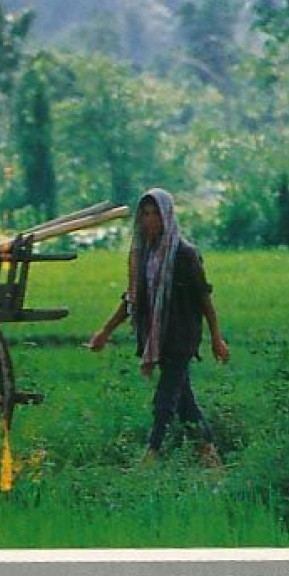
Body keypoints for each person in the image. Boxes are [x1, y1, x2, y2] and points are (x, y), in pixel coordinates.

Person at [87, 187, 230, 467]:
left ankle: (149, 457)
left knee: (164, 403)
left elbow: (204, 299)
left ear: (167, 217)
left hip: (180, 338)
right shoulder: (143, 255)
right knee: (186, 406)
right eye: (145, 214)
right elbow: (132, 298)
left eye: (156, 215)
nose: (150, 220)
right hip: (156, 338)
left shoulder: (184, 254)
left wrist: (216, 337)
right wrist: (106, 331)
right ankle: (213, 462)